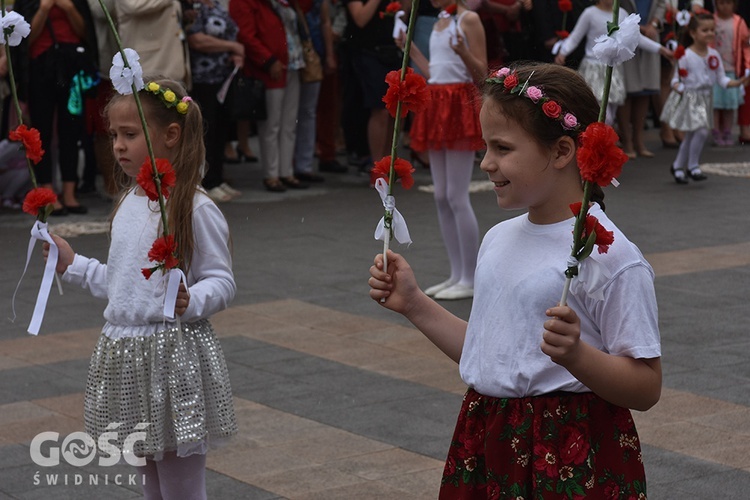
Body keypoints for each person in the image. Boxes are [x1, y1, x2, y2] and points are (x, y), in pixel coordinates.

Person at [368, 62, 662, 498]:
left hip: (568, 451)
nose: (486, 163)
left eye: (503, 148)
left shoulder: (609, 253)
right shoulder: (498, 238)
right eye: (485, 147)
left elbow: (646, 386)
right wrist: (413, 302)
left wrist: (579, 357)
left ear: (562, 151)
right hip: (490, 438)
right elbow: (491, 352)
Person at [43, 78, 237, 499]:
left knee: (182, 487)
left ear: (171, 135)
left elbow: (222, 280)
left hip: (173, 356)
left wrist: (192, 300)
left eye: (130, 134)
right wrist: (71, 264)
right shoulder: (131, 202)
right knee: (150, 482)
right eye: (114, 135)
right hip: (129, 360)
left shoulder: (195, 207)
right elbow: (122, 285)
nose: (117, 145)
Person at [402, 0, 486, 301]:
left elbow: (482, 74)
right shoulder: (440, 20)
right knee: (440, 194)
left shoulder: (469, 20)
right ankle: (456, 273)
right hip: (437, 102)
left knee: (456, 195)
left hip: (457, 104)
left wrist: (463, 52)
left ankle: (471, 276)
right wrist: (410, 51)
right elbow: (434, 71)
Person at [12, 0, 99, 216]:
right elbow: (24, 39)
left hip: (72, 67)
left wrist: (69, 8)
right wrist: (43, 9)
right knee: (41, 132)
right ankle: (47, 192)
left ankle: (70, 193)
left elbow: (86, 33)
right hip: (40, 67)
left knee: (72, 128)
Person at [661, 11, 749, 183]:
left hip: (705, 97)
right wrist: (681, 88)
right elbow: (675, 80)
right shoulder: (685, 55)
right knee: (700, 132)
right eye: (705, 30)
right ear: (693, 33)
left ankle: (678, 166)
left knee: (694, 134)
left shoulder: (713, 55)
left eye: (712, 30)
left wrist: (738, 83)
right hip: (691, 97)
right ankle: (692, 166)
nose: (709, 33)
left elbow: (722, 79)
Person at [231, 0, 309, 192]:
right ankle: (272, 174)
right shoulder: (246, 3)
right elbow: (246, 36)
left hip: (291, 63)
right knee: (272, 125)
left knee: (289, 123)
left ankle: (286, 171)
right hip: (270, 68)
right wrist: (268, 60)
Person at [554, 0, 672, 126]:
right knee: (602, 115)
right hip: (593, 69)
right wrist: (563, 52)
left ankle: (602, 141)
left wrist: (660, 49)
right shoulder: (590, 13)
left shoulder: (621, 14)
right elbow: (575, 37)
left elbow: (637, 37)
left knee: (610, 117)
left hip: (613, 70)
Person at [185, 0, 245, 202]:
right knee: (206, 130)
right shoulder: (193, 6)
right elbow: (196, 40)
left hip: (223, 77)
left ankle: (217, 178)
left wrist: (234, 53)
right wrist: (232, 46)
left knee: (221, 129)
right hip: (203, 78)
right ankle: (206, 181)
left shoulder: (217, 5)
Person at [293, 0, 336, 183]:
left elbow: (324, 21)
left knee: (309, 111)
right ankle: (287, 167)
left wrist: (329, 54)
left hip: (312, 53)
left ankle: (304, 165)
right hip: (291, 53)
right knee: (291, 114)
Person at [618, 0, 666, 159]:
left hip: (650, 35)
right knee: (627, 91)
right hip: (625, 35)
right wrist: (633, 27)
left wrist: (653, 24)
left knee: (645, 90)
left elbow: (661, 4)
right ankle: (626, 140)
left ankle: (639, 140)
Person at [711, 0, 750, 146]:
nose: (725, 6)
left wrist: (747, 66)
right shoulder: (712, 21)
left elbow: (746, 46)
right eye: (721, 3)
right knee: (716, 104)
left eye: (728, 3)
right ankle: (715, 131)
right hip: (714, 70)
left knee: (729, 104)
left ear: (734, 4)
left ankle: (727, 131)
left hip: (732, 69)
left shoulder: (739, 22)